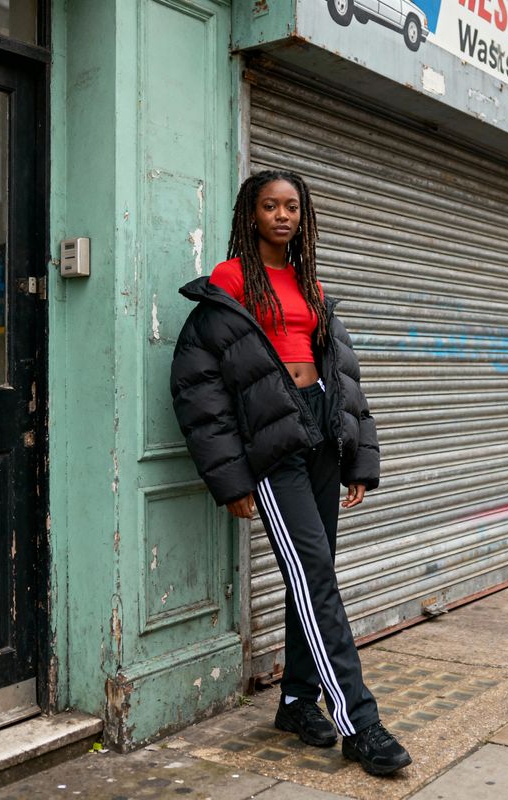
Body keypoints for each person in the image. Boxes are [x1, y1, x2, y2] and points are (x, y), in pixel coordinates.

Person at [170, 169, 411, 776]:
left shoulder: (310, 283)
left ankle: (298, 700)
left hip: (322, 433)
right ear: (250, 214)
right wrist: (232, 480)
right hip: (273, 445)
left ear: (304, 217)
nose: (283, 215)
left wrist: (359, 456)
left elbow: (344, 373)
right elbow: (201, 393)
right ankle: (360, 722)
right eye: (270, 206)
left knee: (315, 574)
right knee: (315, 578)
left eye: (292, 207)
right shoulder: (229, 283)